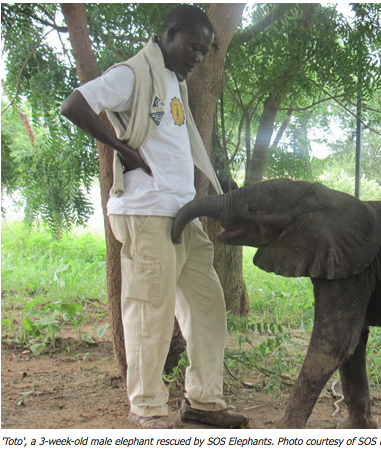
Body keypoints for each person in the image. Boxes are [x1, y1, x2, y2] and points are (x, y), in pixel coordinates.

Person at [61, 5, 248, 429]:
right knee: (150, 313)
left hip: (182, 214)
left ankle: (203, 400)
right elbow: (74, 104)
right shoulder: (132, 74)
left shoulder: (173, 80)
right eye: (193, 47)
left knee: (207, 307)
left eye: (203, 51)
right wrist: (120, 149)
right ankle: (145, 406)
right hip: (147, 215)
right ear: (170, 33)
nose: (197, 57)